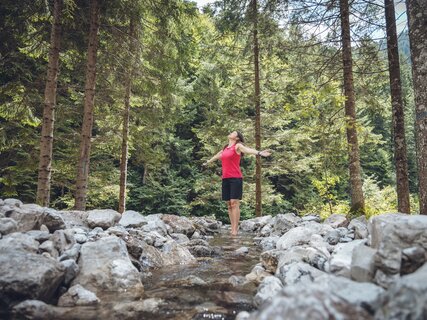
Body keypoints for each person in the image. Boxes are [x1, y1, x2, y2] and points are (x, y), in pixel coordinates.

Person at [202, 131, 272, 236]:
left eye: (233, 132)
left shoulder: (238, 146)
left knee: (234, 202)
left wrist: (259, 153)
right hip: (225, 178)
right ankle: (232, 227)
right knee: (229, 204)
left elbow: (247, 150)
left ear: (237, 138)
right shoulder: (225, 148)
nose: (230, 133)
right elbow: (218, 155)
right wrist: (208, 162)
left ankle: (235, 230)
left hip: (235, 178)